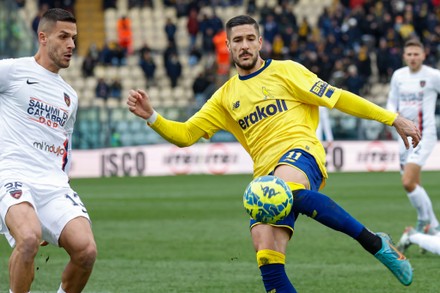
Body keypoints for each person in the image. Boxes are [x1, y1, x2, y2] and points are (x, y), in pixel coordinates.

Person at [127, 15, 420, 292]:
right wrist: (152, 116)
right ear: (227, 46)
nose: (244, 45)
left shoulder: (287, 70)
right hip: (264, 175)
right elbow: (185, 135)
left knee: (287, 188)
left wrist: (391, 118)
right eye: (237, 40)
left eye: (250, 39)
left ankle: (375, 243)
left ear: (260, 42)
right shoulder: (224, 98)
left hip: (301, 153)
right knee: (265, 251)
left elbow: (338, 97)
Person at [0, 8, 97, 293]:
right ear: (43, 37)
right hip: (12, 173)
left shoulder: (70, 96)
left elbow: (63, 149)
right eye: (63, 36)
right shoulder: (13, 71)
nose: (71, 45)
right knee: (28, 239)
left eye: (74, 38)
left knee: (86, 251)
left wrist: (62, 183)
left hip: (53, 184)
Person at [386, 38, 440, 238]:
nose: (413, 57)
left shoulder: (433, 76)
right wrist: (393, 117)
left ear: (424, 55)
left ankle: (425, 220)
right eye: (409, 54)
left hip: (424, 135)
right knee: (413, 184)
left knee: (408, 181)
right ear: (404, 56)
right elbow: (391, 101)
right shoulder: (398, 76)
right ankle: (433, 227)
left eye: (416, 54)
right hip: (402, 138)